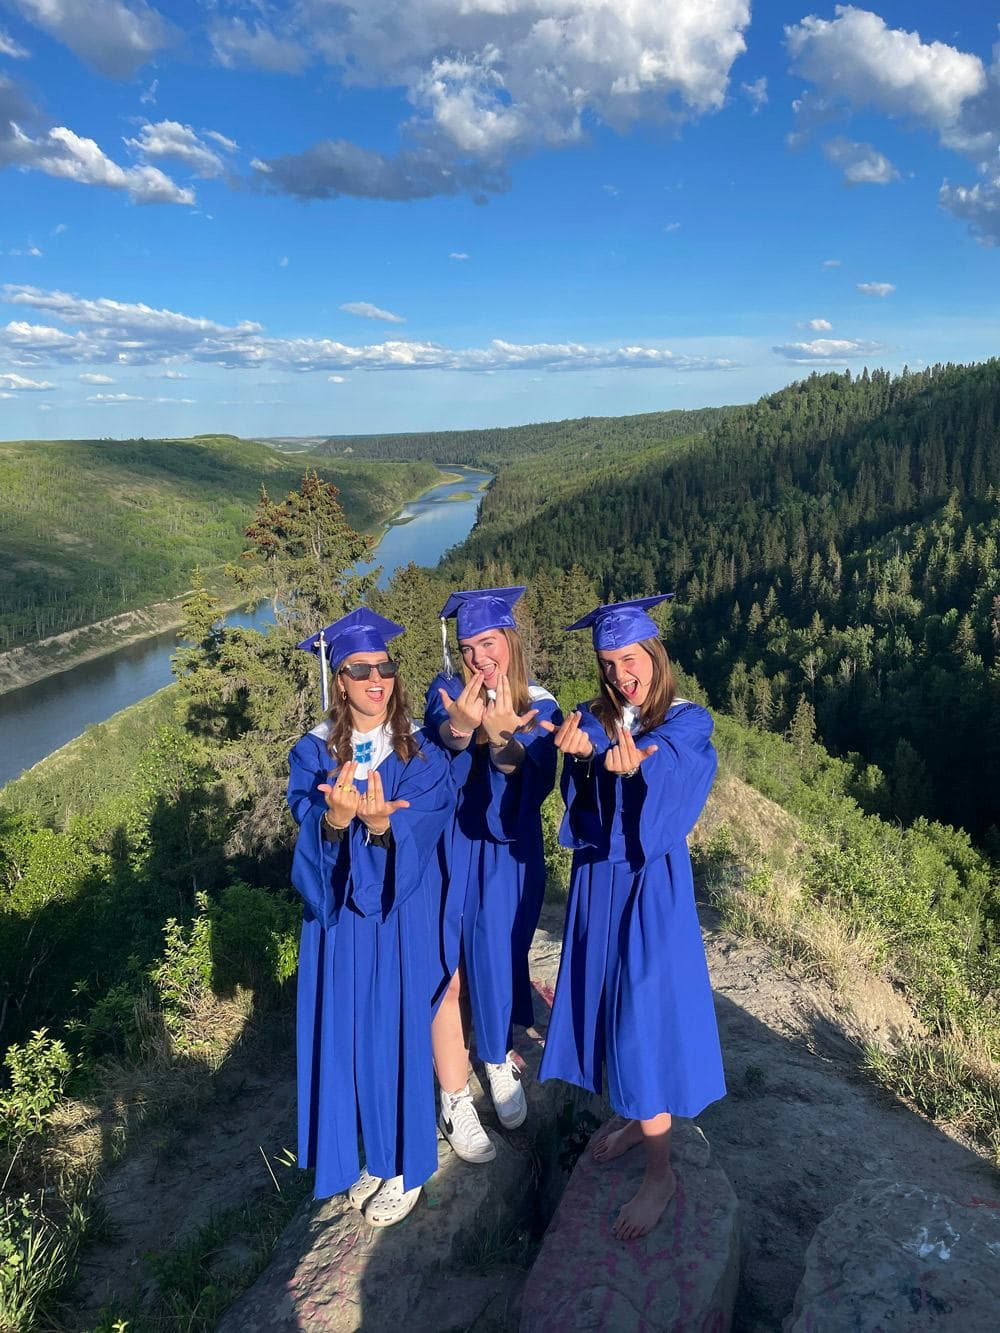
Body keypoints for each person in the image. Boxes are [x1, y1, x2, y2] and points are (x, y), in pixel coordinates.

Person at [538, 595, 726, 1241]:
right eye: (609, 663)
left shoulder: (684, 720)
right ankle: (632, 1116)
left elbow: (677, 762)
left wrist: (640, 764)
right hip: (599, 883)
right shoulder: (597, 716)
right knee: (608, 1003)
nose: (621, 674)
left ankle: (660, 1173)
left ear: (654, 654)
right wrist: (579, 757)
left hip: (650, 887)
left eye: (630, 658)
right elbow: (586, 780)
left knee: (644, 1015)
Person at [287, 608, 453, 1227]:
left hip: (397, 916)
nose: (376, 680)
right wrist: (332, 822)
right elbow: (306, 831)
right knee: (349, 1037)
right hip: (337, 924)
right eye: (360, 670)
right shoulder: (313, 753)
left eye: (385, 668)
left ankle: (406, 1165)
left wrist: (383, 830)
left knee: (395, 1035)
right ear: (339, 679)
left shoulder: (420, 752)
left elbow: (429, 821)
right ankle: (370, 1155)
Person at [425, 586, 561, 1163]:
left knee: (502, 953)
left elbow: (534, 777)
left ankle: (496, 1053)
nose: (479, 658)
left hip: (509, 849)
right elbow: (444, 734)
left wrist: (505, 739)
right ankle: (454, 1096)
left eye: (488, 643)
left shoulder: (541, 705)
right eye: (468, 647)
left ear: (510, 640)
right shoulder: (445, 692)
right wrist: (464, 729)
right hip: (454, 846)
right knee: (451, 968)